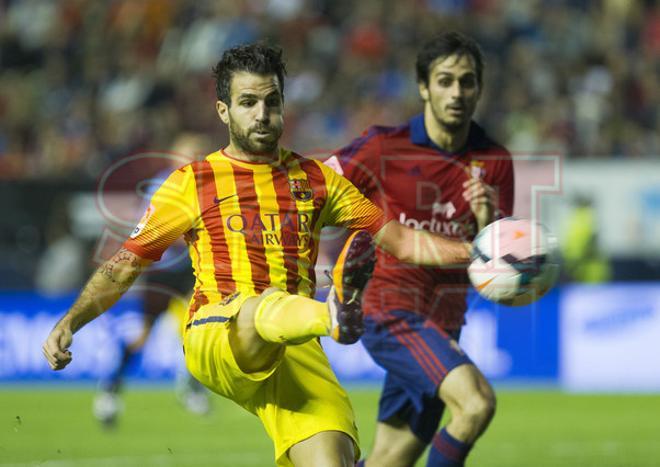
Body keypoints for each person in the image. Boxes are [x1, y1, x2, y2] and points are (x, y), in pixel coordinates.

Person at [43, 43, 472, 467]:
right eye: (248, 102)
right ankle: (335, 312)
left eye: (272, 101)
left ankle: (332, 316)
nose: (262, 114)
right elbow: (126, 265)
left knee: (332, 458)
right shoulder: (193, 182)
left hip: (295, 344)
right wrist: (70, 322)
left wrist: (475, 252)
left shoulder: (317, 179)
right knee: (261, 306)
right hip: (220, 331)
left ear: (284, 104)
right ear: (223, 110)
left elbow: (398, 238)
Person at [329, 32, 514, 467]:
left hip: (443, 324)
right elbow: (316, 187)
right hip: (389, 311)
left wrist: (489, 221)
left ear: (479, 89)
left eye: (467, 81)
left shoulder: (495, 161)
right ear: (423, 87)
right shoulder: (383, 146)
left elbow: (496, 274)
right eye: (445, 80)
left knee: (389, 460)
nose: (457, 92)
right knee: (475, 405)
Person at [93, 134, 214, 427]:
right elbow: (153, 228)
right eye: (189, 153)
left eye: (199, 153)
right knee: (143, 336)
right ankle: (110, 388)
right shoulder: (163, 184)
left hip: (191, 270)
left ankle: (191, 385)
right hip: (161, 271)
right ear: (175, 157)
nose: (194, 158)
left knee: (198, 327)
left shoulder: (209, 187)